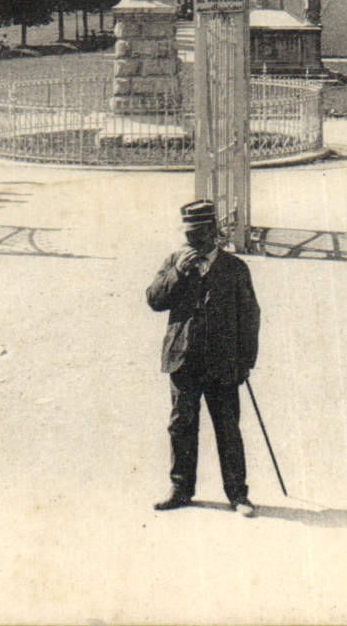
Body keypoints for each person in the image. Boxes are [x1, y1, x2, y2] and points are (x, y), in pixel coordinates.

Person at [146, 200, 260, 516]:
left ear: (212, 233)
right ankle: (181, 490)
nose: (190, 242)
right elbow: (154, 300)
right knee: (181, 425)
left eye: (195, 235)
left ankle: (238, 494)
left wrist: (245, 361)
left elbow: (250, 316)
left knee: (228, 428)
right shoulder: (175, 261)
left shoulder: (235, 268)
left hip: (222, 362)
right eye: (187, 235)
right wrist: (177, 274)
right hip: (183, 358)